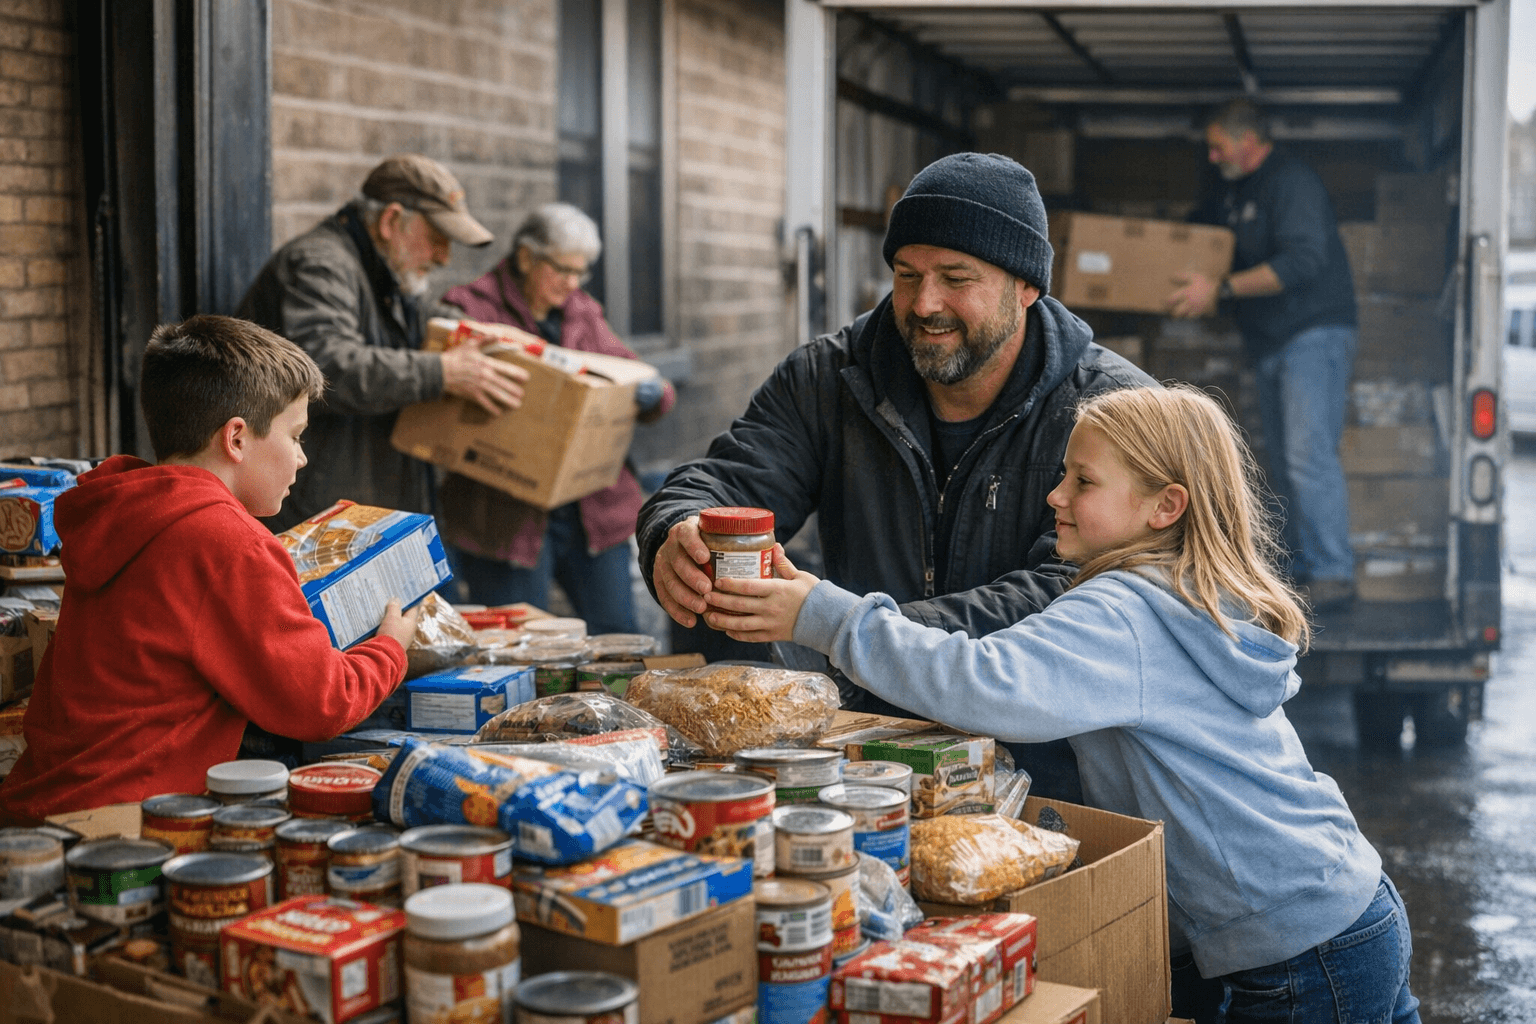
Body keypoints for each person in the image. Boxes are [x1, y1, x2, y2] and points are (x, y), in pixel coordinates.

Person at [708, 386, 1419, 1024]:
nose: (1055, 496)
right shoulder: (1189, 595)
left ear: (1164, 506)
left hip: (1293, 954)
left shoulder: (1125, 612)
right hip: (1351, 907)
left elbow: (981, 681)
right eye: (1062, 475)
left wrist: (825, 617)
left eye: (1083, 481)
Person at [638, 151, 1153, 801]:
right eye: (906, 275)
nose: (924, 303)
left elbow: (1073, 597)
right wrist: (674, 530)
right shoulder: (829, 378)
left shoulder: (1108, 412)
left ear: (1027, 287)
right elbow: (725, 480)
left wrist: (843, 633)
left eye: (955, 277)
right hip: (851, 760)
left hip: (1048, 770)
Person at [0, 316, 420, 823]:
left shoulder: (129, 511)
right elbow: (322, 703)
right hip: (123, 830)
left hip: (39, 812)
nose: (303, 458)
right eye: (296, 435)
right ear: (236, 439)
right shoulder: (226, 542)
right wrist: (391, 646)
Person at [239, 153, 530, 532]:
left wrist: (478, 332)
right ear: (392, 221)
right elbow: (327, 365)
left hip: (359, 497)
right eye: (438, 238)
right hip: (318, 506)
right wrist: (443, 372)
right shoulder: (320, 264)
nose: (444, 257)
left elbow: (416, 320)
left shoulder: (382, 266)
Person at [436, 203, 675, 632]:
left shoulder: (583, 311)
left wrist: (654, 395)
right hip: (506, 513)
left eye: (580, 273)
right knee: (518, 645)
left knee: (615, 637)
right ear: (527, 258)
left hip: (590, 510)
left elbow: (639, 374)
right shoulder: (471, 308)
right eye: (562, 270)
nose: (572, 283)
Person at [1168, 98, 1359, 610]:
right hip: (1273, 341)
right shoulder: (1236, 191)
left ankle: (1334, 574)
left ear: (1247, 141)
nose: (1211, 156)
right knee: (1283, 459)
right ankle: (1300, 568)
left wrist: (1222, 290)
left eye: (1217, 146)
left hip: (1312, 335)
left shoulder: (1290, 183)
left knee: (1306, 456)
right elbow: (1200, 231)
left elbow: (1303, 260)